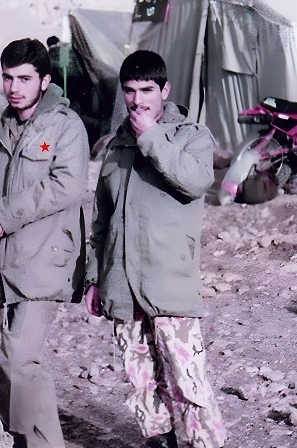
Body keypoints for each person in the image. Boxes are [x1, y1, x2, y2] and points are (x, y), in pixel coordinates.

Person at [84, 50, 227, 448]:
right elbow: (101, 218)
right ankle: (159, 442)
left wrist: (150, 136)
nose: (138, 100)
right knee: (141, 378)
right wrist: (94, 278)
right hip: (120, 282)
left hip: (168, 281)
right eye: (130, 91)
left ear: (165, 90)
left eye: (147, 90)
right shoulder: (116, 145)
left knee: (187, 380)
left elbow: (195, 182)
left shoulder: (191, 136)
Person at [0, 38, 89, 448]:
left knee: (21, 359)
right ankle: (12, 431)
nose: (14, 87)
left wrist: (3, 215)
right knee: (18, 356)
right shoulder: (3, 125)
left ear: (44, 80)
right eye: (8, 78)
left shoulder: (64, 126)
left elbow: (67, 185)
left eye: (24, 78)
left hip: (45, 258)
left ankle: (32, 439)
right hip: (6, 259)